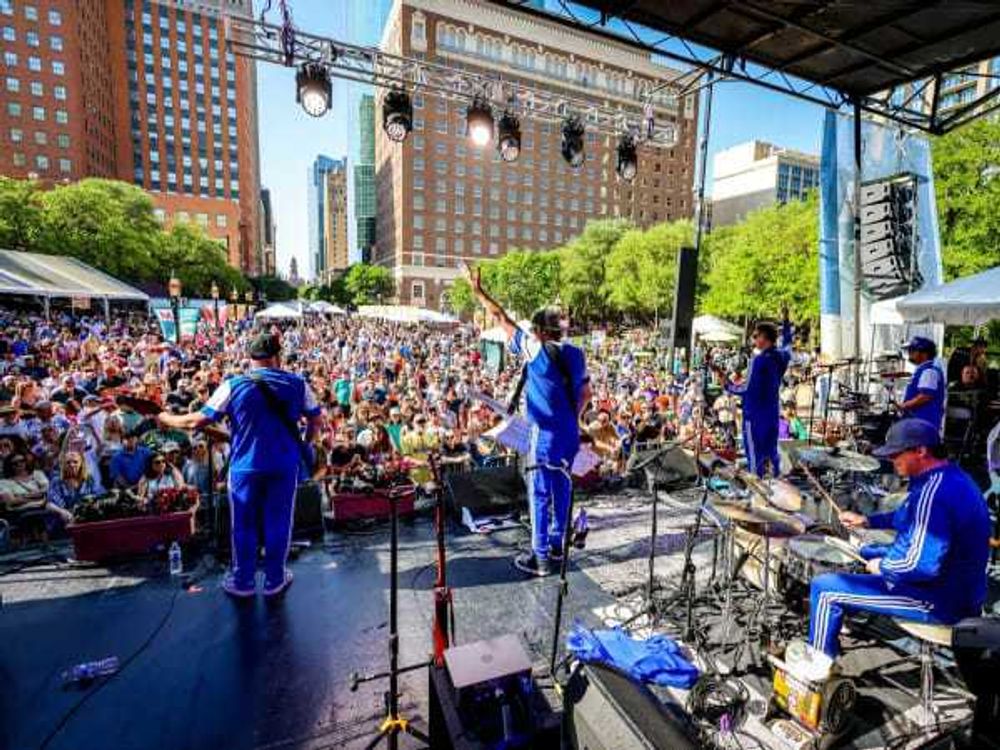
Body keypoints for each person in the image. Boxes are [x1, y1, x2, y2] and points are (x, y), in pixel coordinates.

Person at [157, 332, 323, 598]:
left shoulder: (233, 385)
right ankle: (274, 580)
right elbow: (316, 421)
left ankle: (243, 582)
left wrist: (165, 417)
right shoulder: (298, 384)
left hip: (245, 467)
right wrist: (304, 444)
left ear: (250, 358)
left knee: (243, 524)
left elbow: (195, 421)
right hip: (283, 466)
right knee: (278, 522)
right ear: (278, 356)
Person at [808, 419, 990, 657]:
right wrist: (867, 521)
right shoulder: (949, 477)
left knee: (824, 588)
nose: (892, 461)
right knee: (864, 550)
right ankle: (845, 615)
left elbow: (921, 566)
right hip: (959, 586)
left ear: (921, 451)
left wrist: (883, 566)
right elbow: (909, 516)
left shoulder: (934, 494)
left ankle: (817, 673)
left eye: (896, 455)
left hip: (941, 600)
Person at [466, 265, 591, 577]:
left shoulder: (534, 349)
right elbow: (586, 393)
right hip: (569, 434)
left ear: (539, 330)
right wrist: (572, 418)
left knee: (538, 492)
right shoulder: (577, 354)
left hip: (544, 436)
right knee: (562, 487)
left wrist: (479, 292)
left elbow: (501, 319)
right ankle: (557, 545)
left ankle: (540, 558)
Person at [719, 311, 792, 477]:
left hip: (754, 417)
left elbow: (746, 390)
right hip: (772, 414)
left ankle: (756, 494)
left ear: (764, 339)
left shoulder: (758, 361)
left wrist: (728, 385)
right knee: (772, 455)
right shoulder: (781, 356)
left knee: (755, 458)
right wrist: (786, 322)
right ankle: (776, 489)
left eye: (756, 336)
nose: (754, 339)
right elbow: (788, 344)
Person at [898, 336, 946, 431]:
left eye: (912, 350)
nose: (909, 354)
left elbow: (925, 396)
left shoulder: (929, 371)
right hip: (917, 421)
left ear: (924, 353)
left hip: (924, 422)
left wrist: (904, 405)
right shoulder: (922, 369)